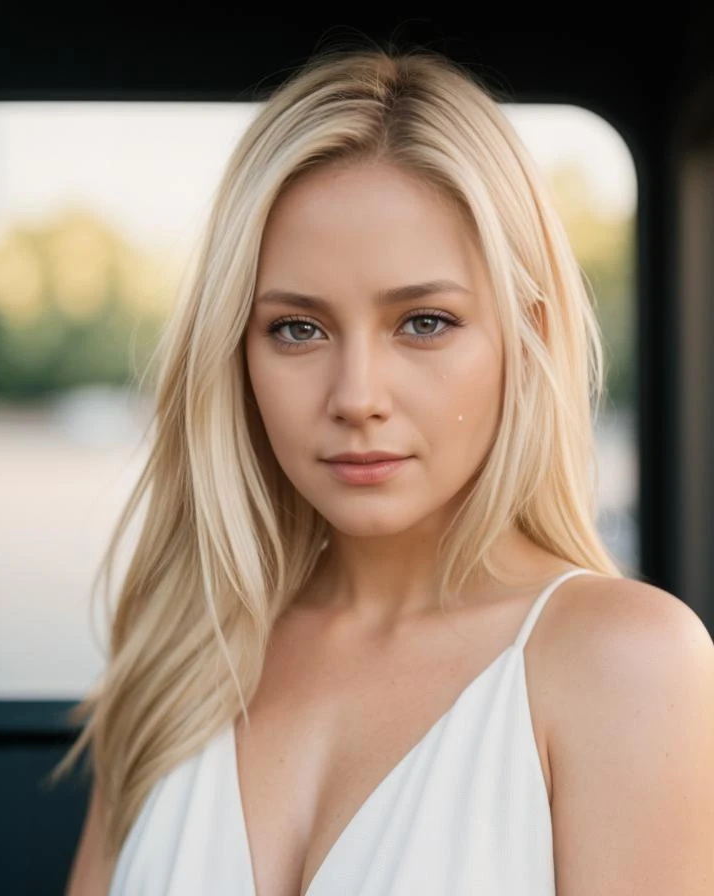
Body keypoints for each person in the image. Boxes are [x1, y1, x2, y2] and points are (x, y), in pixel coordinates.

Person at [60, 46, 714, 895]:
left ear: (530, 338)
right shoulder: (184, 644)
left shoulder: (623, 663)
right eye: (298, 329)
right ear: (236, 351)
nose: (357, 396)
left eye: (425, 322)